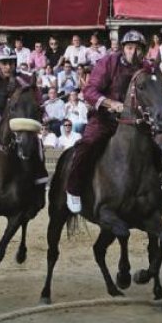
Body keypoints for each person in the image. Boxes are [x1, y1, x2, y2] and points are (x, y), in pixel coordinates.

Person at [65, 30, 152, 213]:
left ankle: (156, 187)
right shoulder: (108, 62)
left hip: (135, 121)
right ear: (123, 49)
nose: (133, 52)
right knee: (87, 144)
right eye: (129, 48)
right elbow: (89, 91)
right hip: (105, 119)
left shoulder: (147, 67)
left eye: (137, 48)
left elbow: (154, 90)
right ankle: (73, 189)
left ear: (143, 51)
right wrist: (111, 103)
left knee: (161, 144)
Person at [0, 47, 49, 193]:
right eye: (4, 63)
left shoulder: (25, 77)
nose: (8, 67)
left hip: (20, 125)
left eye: (11, 63)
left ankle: (39, 176)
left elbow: (36, 99)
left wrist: (42, 114)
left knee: (35, 143)